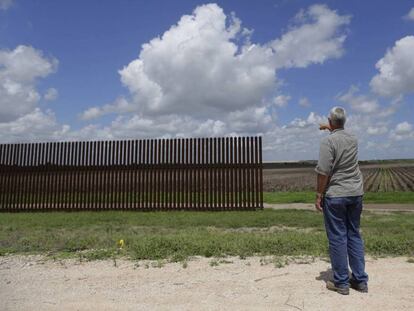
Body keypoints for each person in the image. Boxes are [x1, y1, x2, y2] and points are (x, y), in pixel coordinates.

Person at [315, 106, 369, 295]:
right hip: (355, 192)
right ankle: (360, 281)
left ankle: (341, 283)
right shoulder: (353, 139)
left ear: (330, 122)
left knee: (337, 237)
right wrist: (331, 127)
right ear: (344, 122)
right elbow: (340, 136)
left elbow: (323, 171)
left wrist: (319, 194)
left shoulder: (327, 142)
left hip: (336, 194)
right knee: (354, 234)